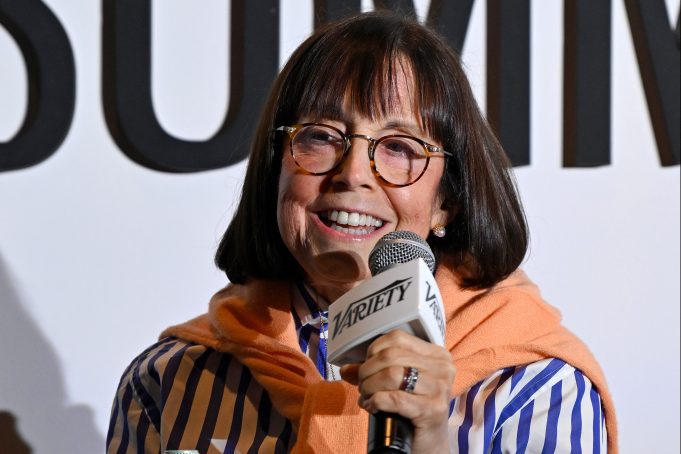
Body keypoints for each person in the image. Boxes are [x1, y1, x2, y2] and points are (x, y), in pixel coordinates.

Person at [107, 12, 617, 454]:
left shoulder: (541, 389)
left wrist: (433, 442)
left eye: (399, 147)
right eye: (321, 138)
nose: (353, 173)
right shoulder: (167, 382)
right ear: (275, 172)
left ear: (448, 203)